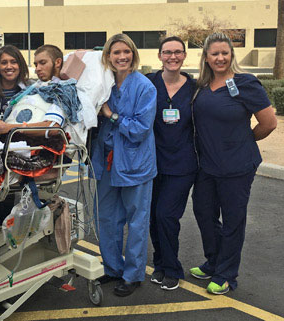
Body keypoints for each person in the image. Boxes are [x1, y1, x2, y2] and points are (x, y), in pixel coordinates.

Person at [190, 32, 277, 295]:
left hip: (237, 166)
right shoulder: (202, 87)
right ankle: (214, 261)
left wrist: (243, 141)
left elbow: (269, 123)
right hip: (207, 165)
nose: (220, 58)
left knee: (232, 220)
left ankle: (226, 275)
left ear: (231, 55)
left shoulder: (245, 83)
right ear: (206, 57)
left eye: (224, 53)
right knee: (204, 213)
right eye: (214, 53)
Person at [91, 34, 157, 297]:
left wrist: (111, 115)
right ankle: (113, 268)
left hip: (134, 163)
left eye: (126, 52)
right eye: (115, 52)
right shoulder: (103, 86)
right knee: (106, 218)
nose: (121, 57)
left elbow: (141, 129)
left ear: (133, 54)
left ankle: (133, 275)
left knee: (137, 221)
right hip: (106, 162)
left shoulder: (144, 87)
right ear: (107, 57)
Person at [146, 36, 197, 291]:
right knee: (154, 217)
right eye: (167, 52)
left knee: (167, 215)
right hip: (152, 163)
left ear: (184, 55)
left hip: (183, 164)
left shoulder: (196, 87)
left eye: (178, 52)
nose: (172, 57)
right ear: (160, 56)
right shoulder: (149, 83)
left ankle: (173, 268)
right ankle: (160, 263)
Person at [0, 45, 30, 118]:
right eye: (4, 63)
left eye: (13, 62)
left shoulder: (31, 90)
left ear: (20, 65)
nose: (9, 67)